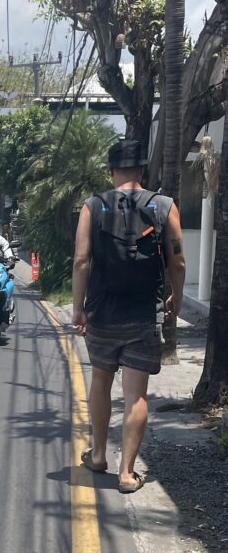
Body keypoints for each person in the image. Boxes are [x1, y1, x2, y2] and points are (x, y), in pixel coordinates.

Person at [72, 139, 185, 493]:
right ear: (142, 171)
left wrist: (78, 306)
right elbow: (178, 260)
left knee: (101, 383)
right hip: (143, 316)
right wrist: (176, 299)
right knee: (136, 395)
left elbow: (80, 261)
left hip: (102, 314)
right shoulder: (164, 206)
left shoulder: (92, 206)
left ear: (110, 171)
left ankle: (100, 453)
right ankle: (126, 473)